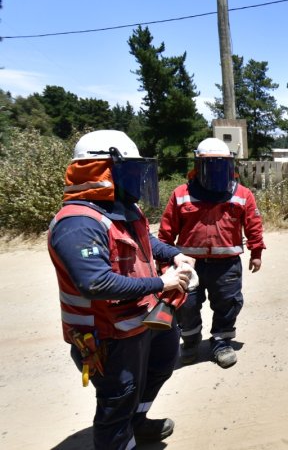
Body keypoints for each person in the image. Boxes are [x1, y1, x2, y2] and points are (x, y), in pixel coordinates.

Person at [47, 130, 194, 449]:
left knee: (163, 361)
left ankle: (137, 422)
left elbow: (146, 241)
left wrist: (174, 254)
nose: (138, 180)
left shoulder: (124, 209)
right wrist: (162, 282)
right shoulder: (78, 223)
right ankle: (120, 434)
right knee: (118, 399)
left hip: (147, 319)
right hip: (109, 335)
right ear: (100, 171)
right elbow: (95, 283)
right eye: (129, 170)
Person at [158, 137, 265, 369]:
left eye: (221, 163)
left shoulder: (242, 194)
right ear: (198, 165)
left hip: (226, 265)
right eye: (211, 163)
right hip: (188, 266)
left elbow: (254, 224)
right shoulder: (181, 193)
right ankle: (190, 341)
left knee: (227, 303)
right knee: (185, 305)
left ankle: (221, 342)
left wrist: (256, 251)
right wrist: (163, 261)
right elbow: (166, 230)